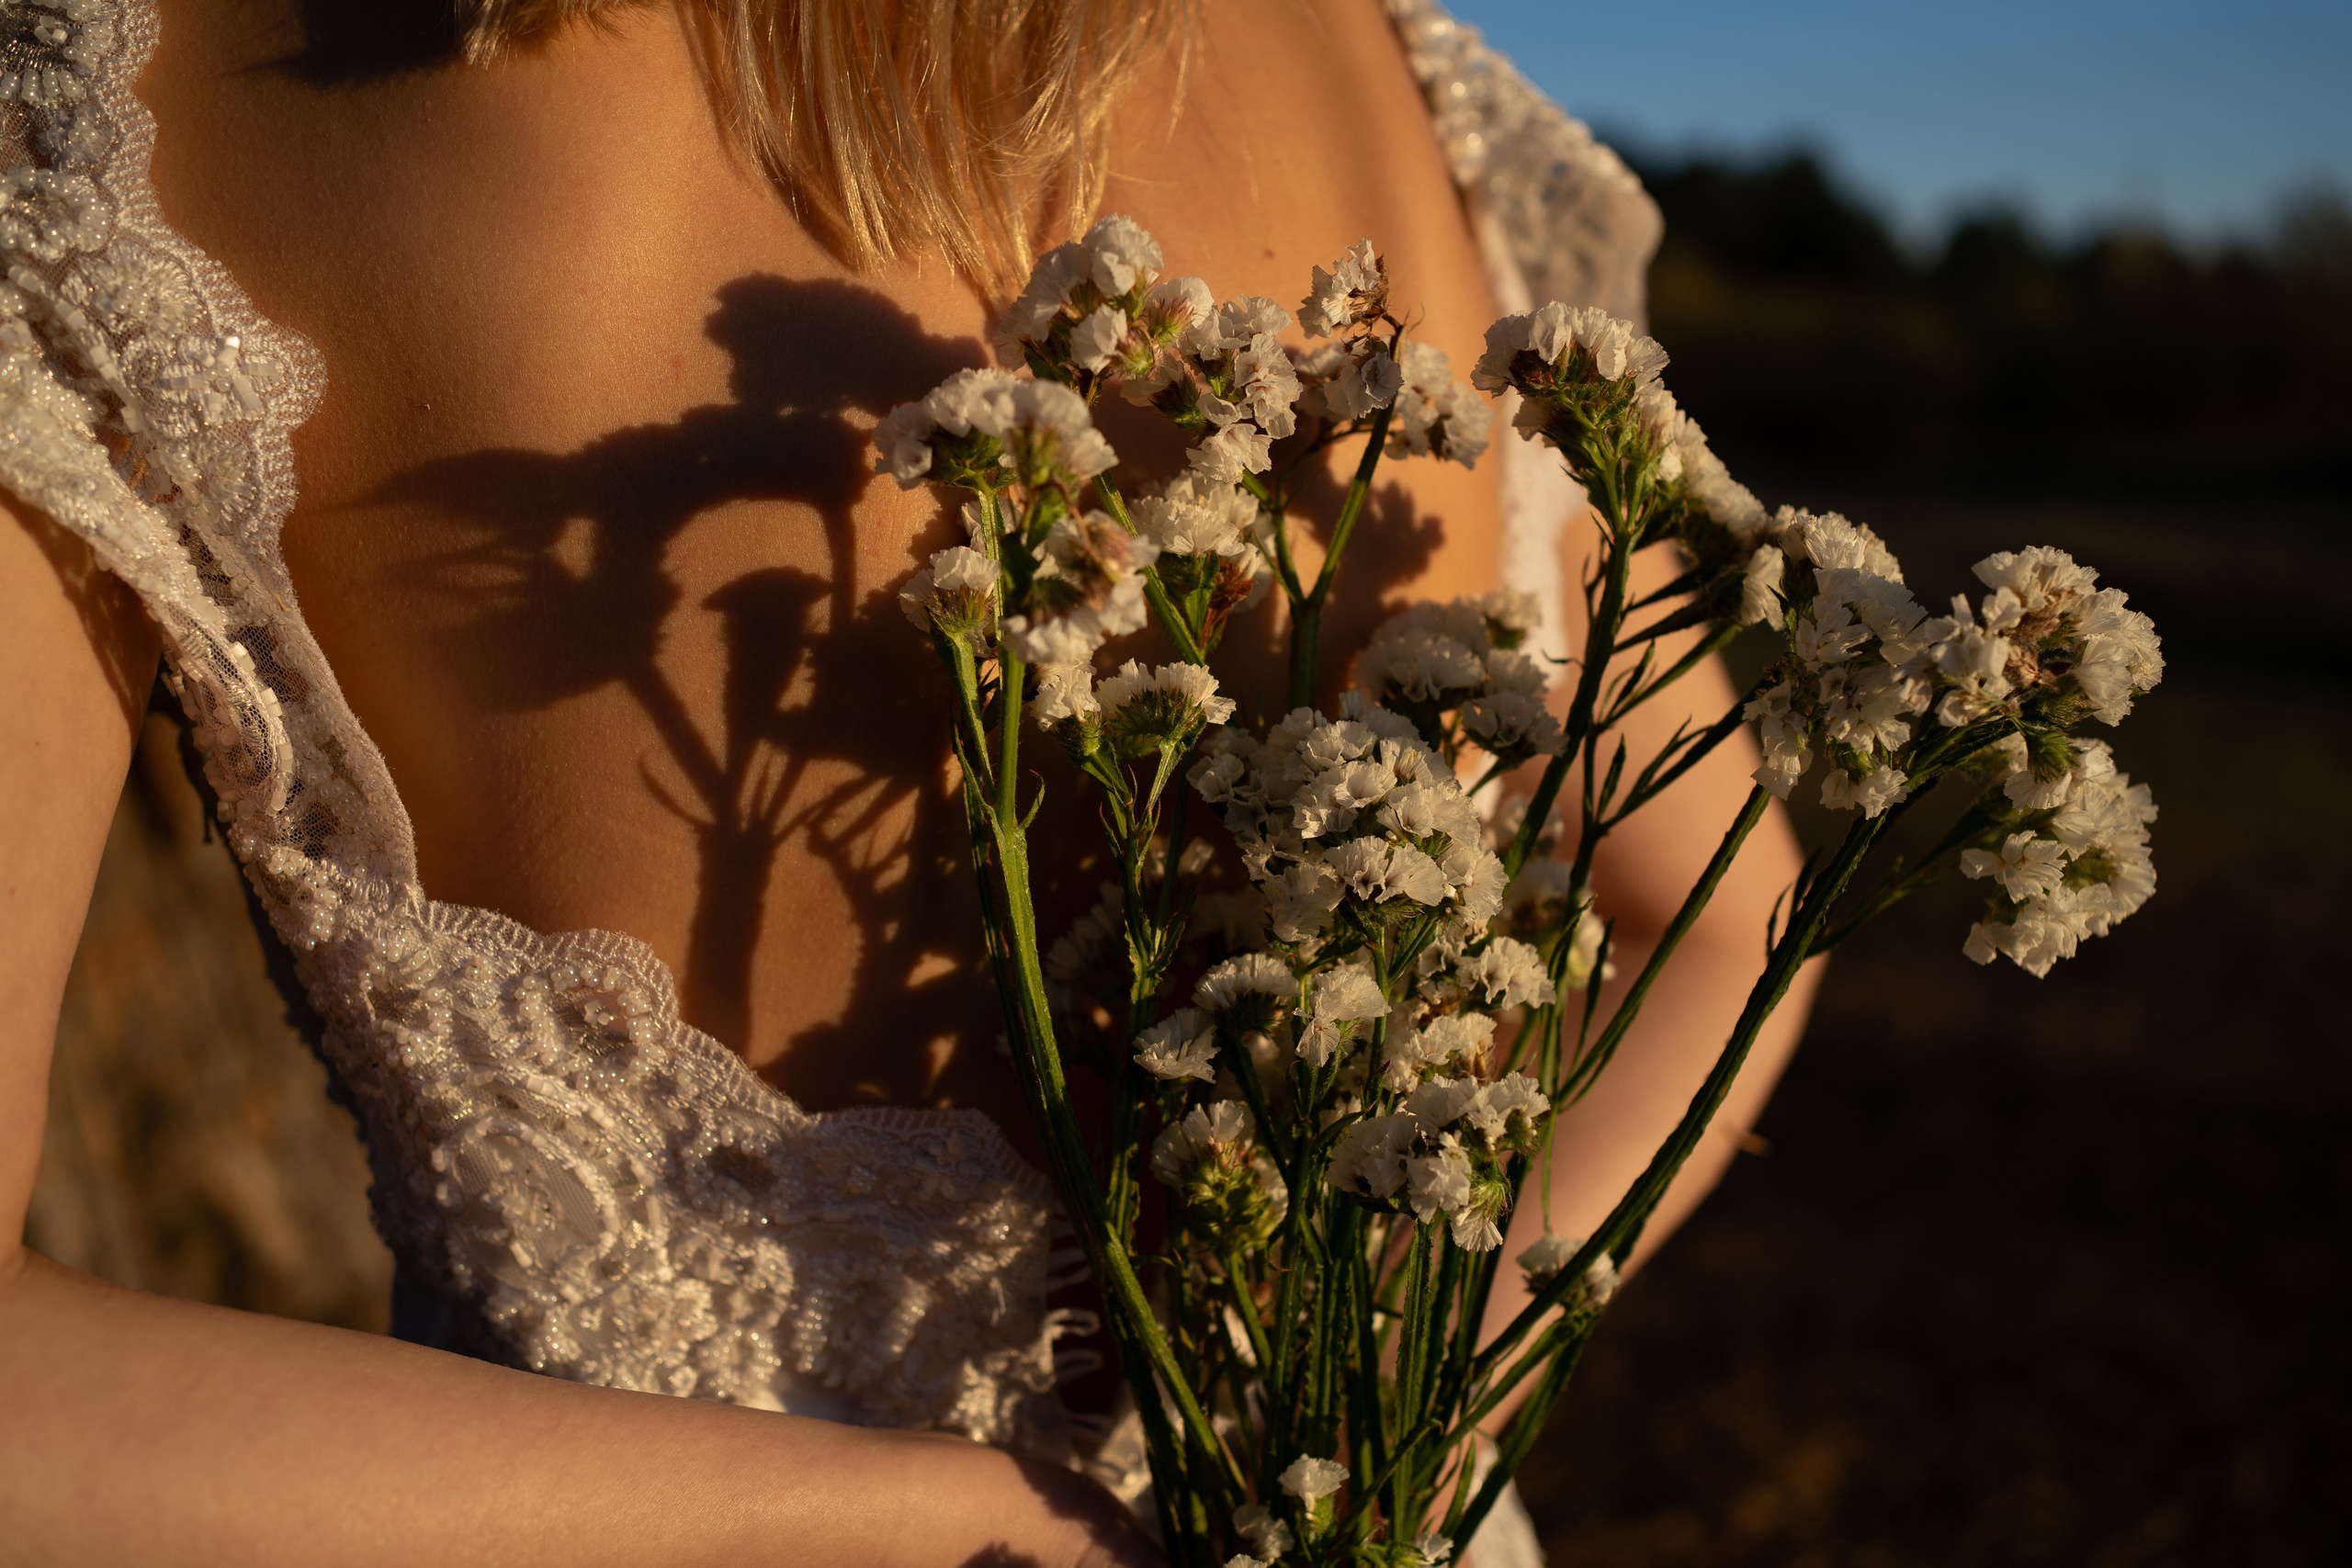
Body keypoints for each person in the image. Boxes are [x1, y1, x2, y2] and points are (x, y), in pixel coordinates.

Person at [0, 0, 1816, 1561]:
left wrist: (965, 1524)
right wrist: (1388, 1404)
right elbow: (1727, 915)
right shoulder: (1376, 61)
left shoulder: (141, 79)